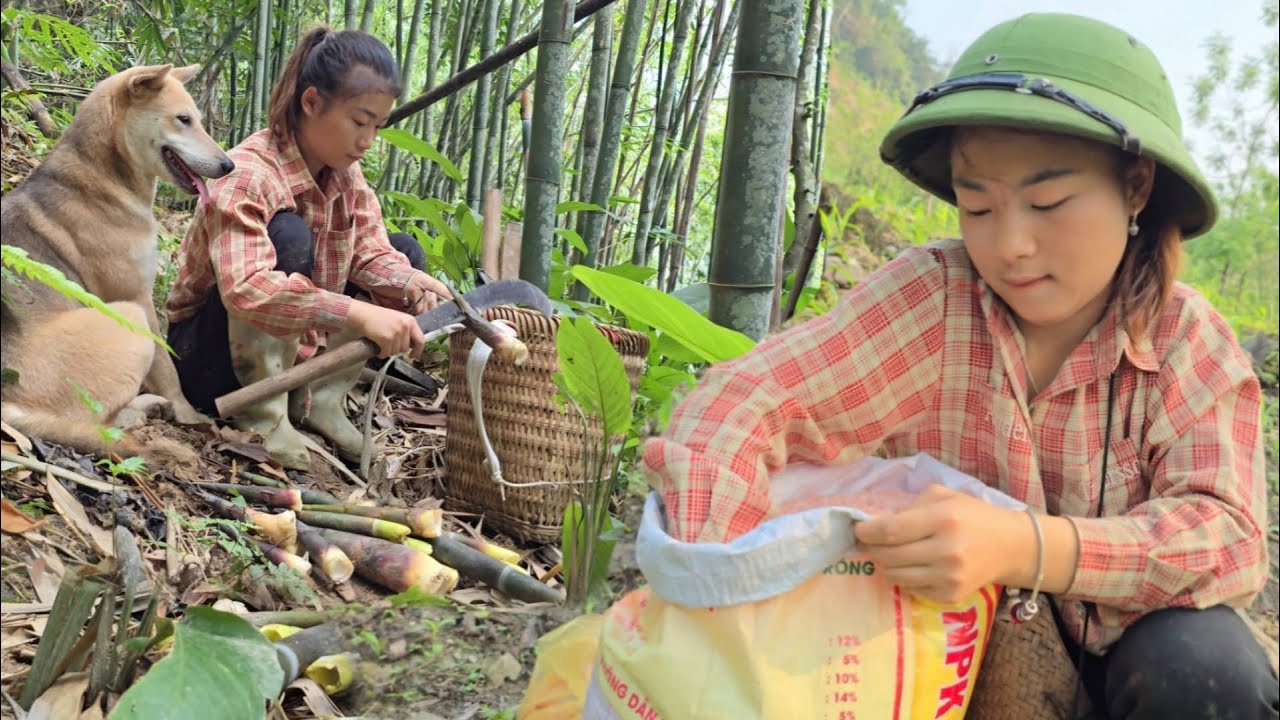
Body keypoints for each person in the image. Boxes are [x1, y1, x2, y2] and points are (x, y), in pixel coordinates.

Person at [643, 13, 1276, 720]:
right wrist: (717, 583)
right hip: (944, 666)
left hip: (1130, 675)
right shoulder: (934, 304)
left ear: (1135, 187)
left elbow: (1228, 538)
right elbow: (742, 401)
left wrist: (1022, 545)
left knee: (1205, 667)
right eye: (978, 206)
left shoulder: (1186, 341)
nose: (1010, 246)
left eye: (1047, 203)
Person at [165, 26, 452, 470]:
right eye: (359, 122)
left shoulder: (344, 176)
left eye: (377, 126)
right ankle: (262, 415)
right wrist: (357, 313)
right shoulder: (248, 173)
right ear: (312, 102)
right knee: (289, 236)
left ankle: (320, 400)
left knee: (404, 253)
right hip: (207, 357)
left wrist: (411, 282)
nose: (368, 141)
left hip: (296, 351)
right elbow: (248, 288)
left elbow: (369, 251)